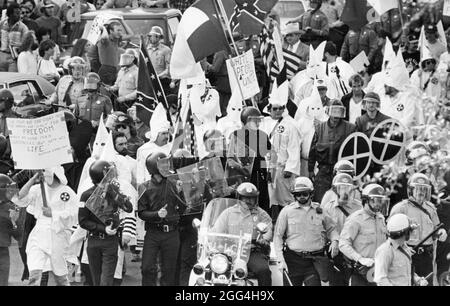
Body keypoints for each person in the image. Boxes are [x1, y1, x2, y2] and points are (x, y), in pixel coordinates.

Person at [17, 167, 79, 286]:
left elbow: (75, 214)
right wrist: (32, 180)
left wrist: (54, 214)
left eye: (45, 170)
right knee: (35, 270)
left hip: (57, 235)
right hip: (39, 233)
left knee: (60, 276)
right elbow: (19, 198)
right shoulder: (37, 189)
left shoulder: (67, 192)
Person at [273, 177, 339, 286]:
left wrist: (335, 241)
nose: (301, 197)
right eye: (298, 194)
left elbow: (332, 229)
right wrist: (280, 260)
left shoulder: (321, 210)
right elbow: (278, 236)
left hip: (314, 261)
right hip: (293, 260)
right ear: (294, 195)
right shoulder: (287, 211)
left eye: (304, 194)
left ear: (311, 194)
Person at [78, 160, 133, 286]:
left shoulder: (114, 192)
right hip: (93, 240)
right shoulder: (86, 195)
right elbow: (83, 221)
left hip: (110, 242)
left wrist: (115, 193)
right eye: (108, 173)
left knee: (106, 281)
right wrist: (103, 229)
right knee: (96, 281)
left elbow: (128, 208)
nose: (112, 175)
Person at [389, 173, 447, 286]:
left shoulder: (431, 209)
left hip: (426, 257)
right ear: (411, 190)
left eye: (424, 189)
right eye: (418, 189)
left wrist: (441, 233)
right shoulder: (400, 208)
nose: (421, 192)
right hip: (407, 254)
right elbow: (390, 234)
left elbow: (436, 229)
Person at [138, 152, 186, 286]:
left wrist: (180, 192)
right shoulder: (144, 187)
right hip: (153, 233)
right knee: (147, 268)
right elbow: (141, 213)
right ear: (153, 167)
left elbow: (183, 210)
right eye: (162, 163)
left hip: (172, 233)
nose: (166, 166)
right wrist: (156, 215)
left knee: (169, 271)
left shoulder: (174, 183)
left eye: (167, 163)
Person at [212, 182, 273, 286]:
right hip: (230, 251)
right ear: (239, 198)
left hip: (252, 251)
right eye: (245, 198)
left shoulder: (261, 214)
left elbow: (268, 230)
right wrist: (208, 235)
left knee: (264, 270)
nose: (248, 201)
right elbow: (216, 231)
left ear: (256, 199)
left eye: (251, 198)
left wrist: (264, 239)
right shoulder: (228, 213)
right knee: (214, 269)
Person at [260, 91, 301, 221]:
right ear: (269, 109)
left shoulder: (291, 124)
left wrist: (290, 168)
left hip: (284, 168)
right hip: (269, 168)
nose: (278, 111)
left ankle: (290, 221)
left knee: (286, 199)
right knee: (271, 199)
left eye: (281, 108)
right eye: (275, 109)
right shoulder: (264, 123)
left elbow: (294, 148)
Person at [339, 184, 388, 286]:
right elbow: (343, 244)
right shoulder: (355, 219)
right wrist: (360, 259)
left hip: (378, 271)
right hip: (361, 272)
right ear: (366, 201)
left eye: (381, 200)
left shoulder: (381, 218)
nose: (379, 204)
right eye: (375, 200)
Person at [228, 107, 274, 215]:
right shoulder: (236, 135)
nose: (258, 123)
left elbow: (268, 156)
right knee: (244, 205)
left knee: (262, 205)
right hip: (243, 177)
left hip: (260, 176)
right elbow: (230, 159)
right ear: (247, 120)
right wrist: (240, 168)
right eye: (255, 120)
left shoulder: (263, 135)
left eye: (259, 120)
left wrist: (267, 170)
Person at [308, 99, 356, 203]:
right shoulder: (320, 128)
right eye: (333, 111)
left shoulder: (351, 128)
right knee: (320, 201)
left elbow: (357, 152)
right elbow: (313, 150)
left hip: (342, 171)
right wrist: (310, 169)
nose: (336, 115)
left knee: (342, 201)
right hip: (323, 171)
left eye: (339, 111)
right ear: (328, 112)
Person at [322, 173, 362, 286]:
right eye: (341, 188)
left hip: (354, 252)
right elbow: (323, 230)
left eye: (347, 188)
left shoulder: (359, 208)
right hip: (336, 253)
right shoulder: (328, 207)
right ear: (335, 190)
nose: (344, 192)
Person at [374, 213, 429, 286]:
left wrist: (418, 280)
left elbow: (406, 272)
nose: (411, 233)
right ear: (404, 233)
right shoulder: (385, 251)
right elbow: (381, 279)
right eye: (409, 231)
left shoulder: (405, 248)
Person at [135, 103, 172, 186]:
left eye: (167, 133)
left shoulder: (172, 147)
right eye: (163, 134)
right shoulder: (143, 150)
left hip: (169, 186)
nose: (166, 136)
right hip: (151, 188)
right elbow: (140, 173)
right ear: (156, 134)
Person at [0, 174, 21, 286]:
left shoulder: (11, 208)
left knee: (3, 282)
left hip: (3, 251)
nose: (11, 192)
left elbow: (18, 234)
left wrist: (14, 222)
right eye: (8, 189)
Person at [0, 2, 29, 72]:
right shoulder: (2, 24)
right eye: (17, 13)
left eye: (20, 13)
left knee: (12, 78)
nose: (19, 16)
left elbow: (26, 44)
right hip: (1, 55)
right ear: (10, 14)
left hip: (14, 58)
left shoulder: (23, 27)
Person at [108, 48, 138, 113]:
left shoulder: (137, 72)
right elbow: (117, 85)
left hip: (130, 103)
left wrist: (125, 98)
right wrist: (111, 88)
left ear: (133, 59)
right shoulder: (121, 71)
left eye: (127, 57)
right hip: (119, 101)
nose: (124, 59)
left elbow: (138, 91)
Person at [146, 26, 171, 94]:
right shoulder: (147, 50)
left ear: (159, 37)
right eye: (150, 36)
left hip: (162, 81)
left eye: (154, 36)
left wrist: (158, 76)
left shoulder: (166, 50)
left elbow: (168, 69)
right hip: (149, 81)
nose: (151, 38)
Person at [97, 21, 123, 85]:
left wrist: (122, 21)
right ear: (111, 31)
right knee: (106, 92)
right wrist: (103, 28)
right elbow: (104, 37)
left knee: (113, 92)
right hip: (106, 70)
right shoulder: (105, 41)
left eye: (120, 30)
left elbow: (131, 35)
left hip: (114, 69)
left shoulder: (115, 40)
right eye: (118, 30)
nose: (120, 32)